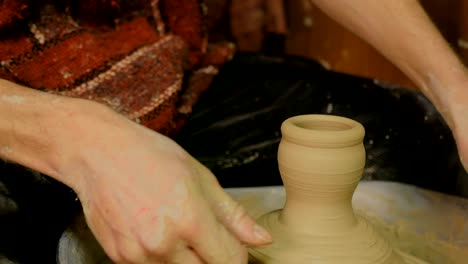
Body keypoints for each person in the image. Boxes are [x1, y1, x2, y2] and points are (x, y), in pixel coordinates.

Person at [0, 0, 467, 263]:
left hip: (169, 64)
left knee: (425, 141)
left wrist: (454, 87)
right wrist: (83, 141)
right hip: (19, 108)